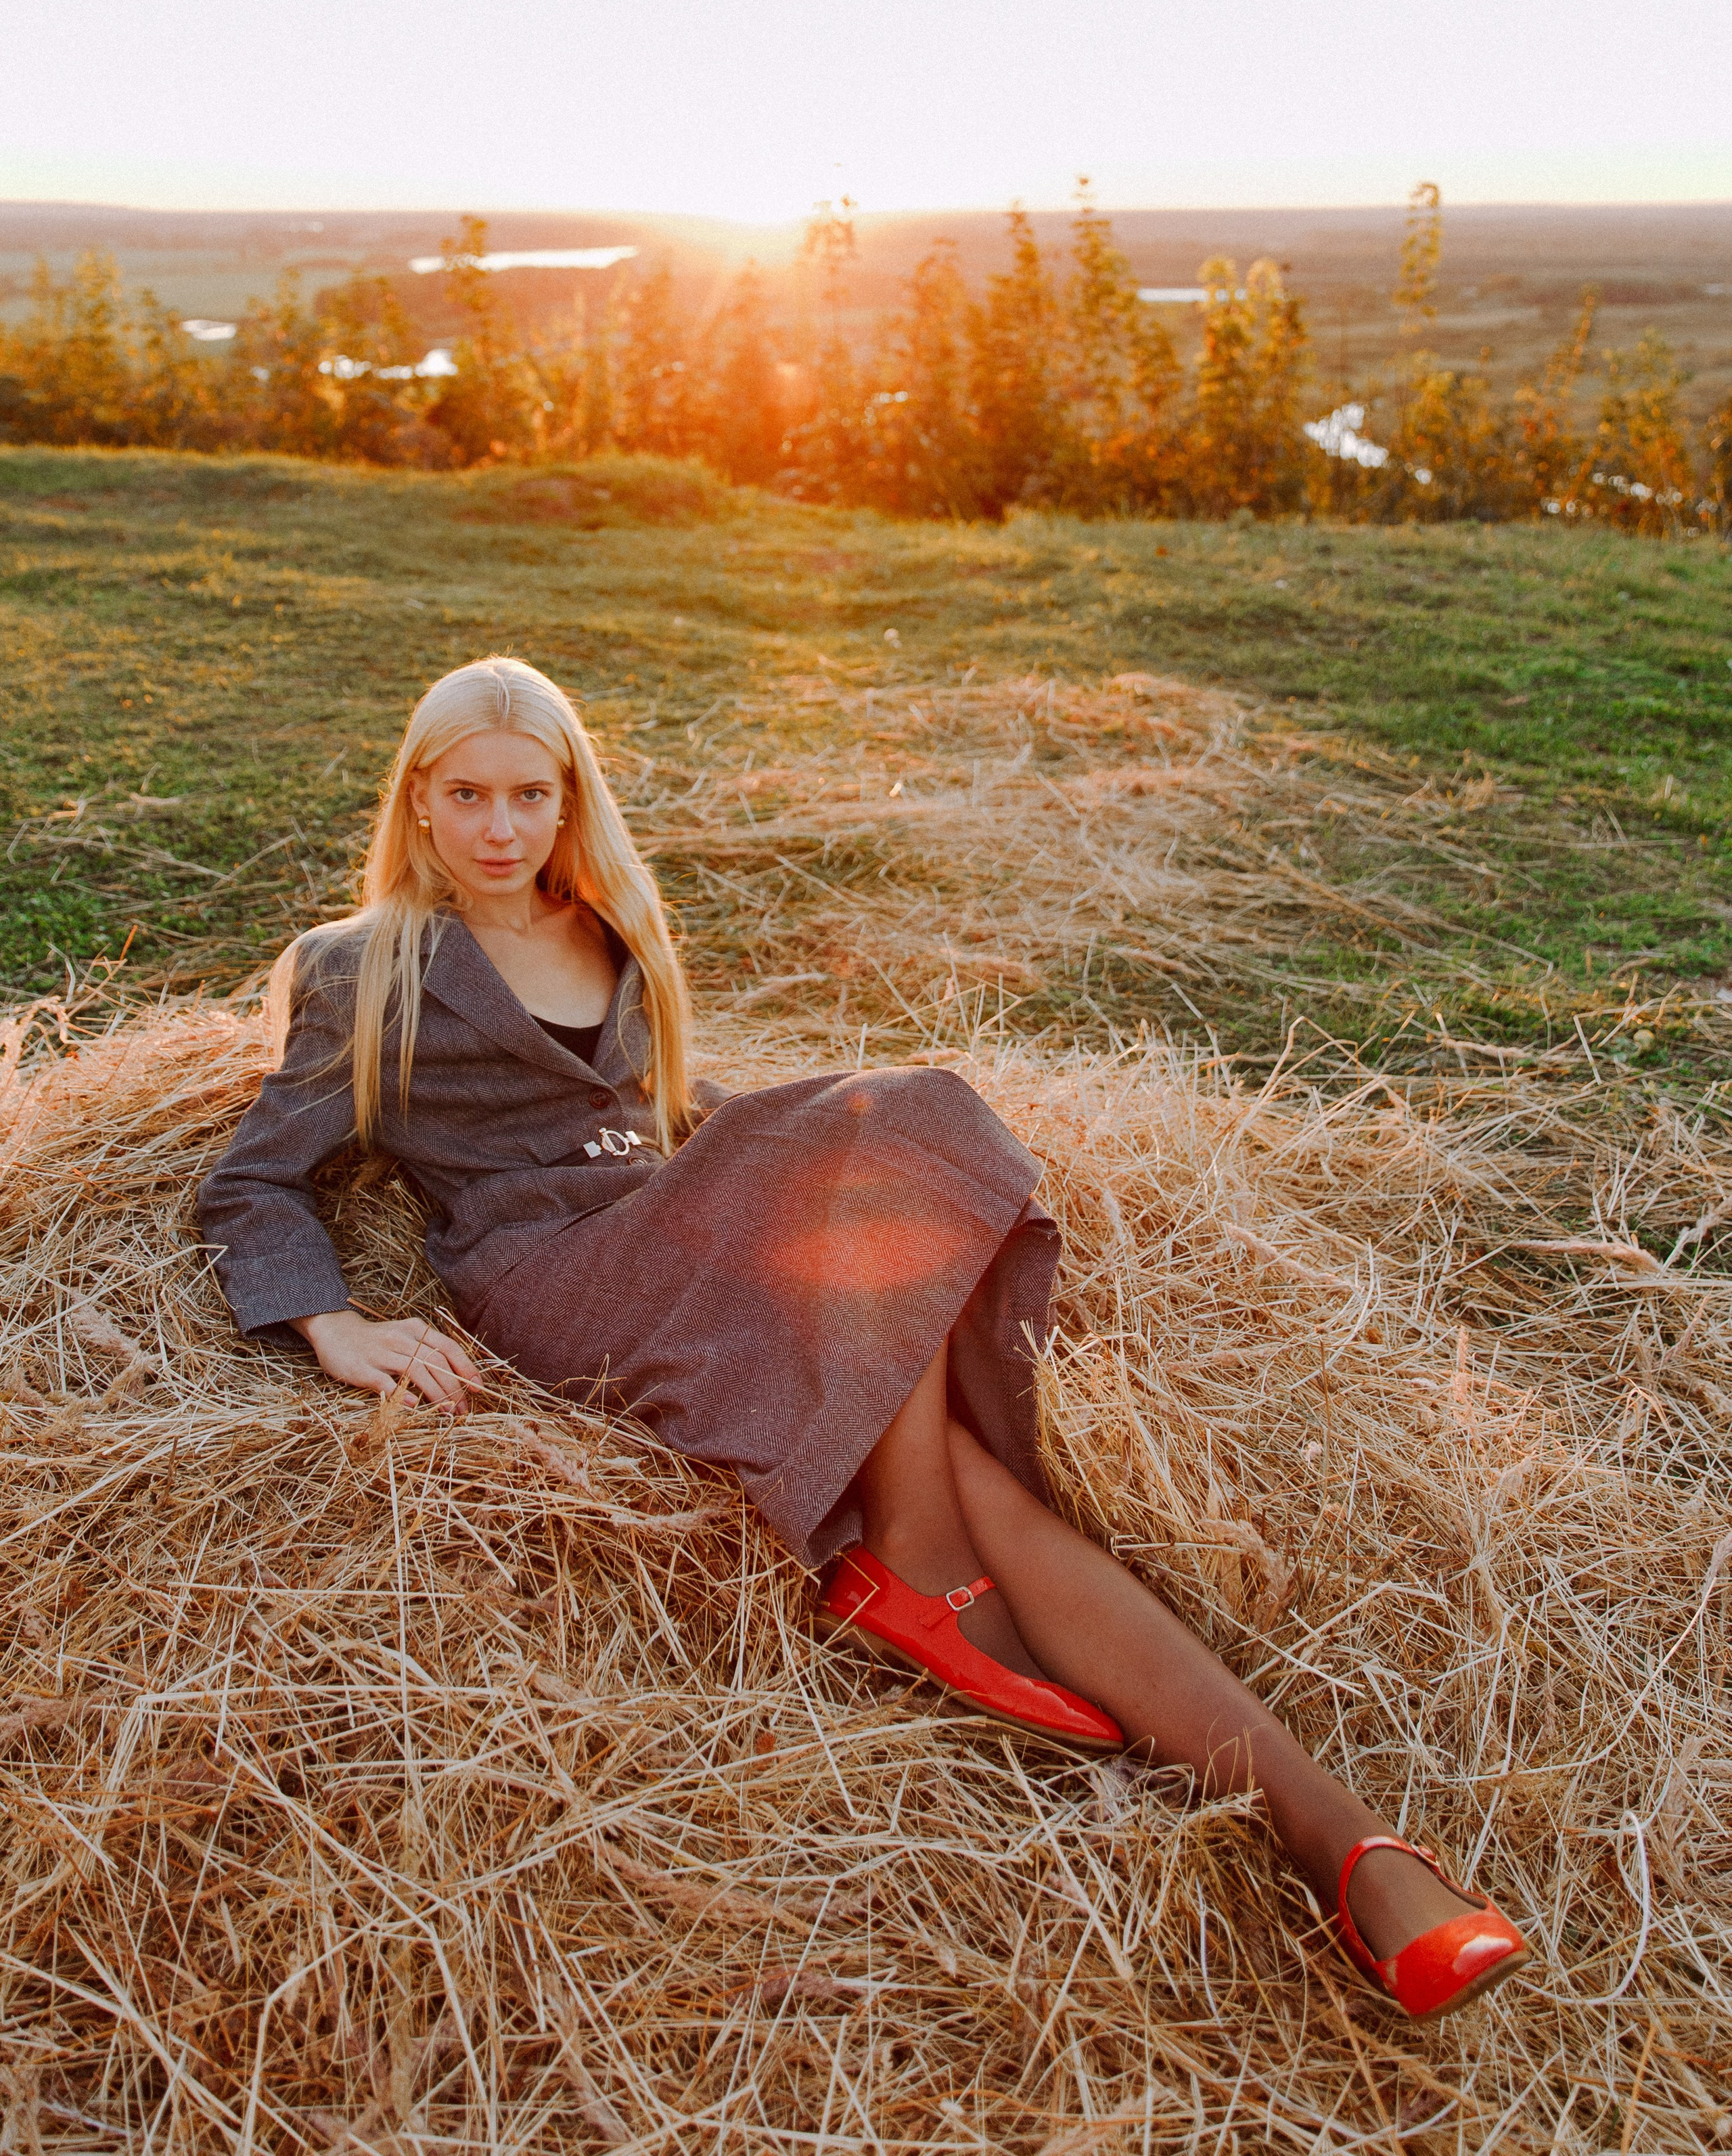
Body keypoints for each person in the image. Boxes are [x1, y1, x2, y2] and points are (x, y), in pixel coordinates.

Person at [200, 656, 1528, 2023]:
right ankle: (923, 1550)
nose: (497, 827)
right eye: (466, 795)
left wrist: (779, 1163)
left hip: (672, 1226)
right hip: (557, 1276)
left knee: (964, 1437)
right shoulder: (363, 967)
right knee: (904, 1113)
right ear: (417, 802)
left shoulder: (615, 925)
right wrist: (334, 1320)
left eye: (528, 794)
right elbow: (255, 1176)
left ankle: (1345, 1845)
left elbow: (663, 1112)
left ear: (567, 798)